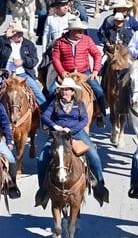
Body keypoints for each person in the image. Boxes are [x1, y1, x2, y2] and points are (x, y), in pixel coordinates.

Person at [35, 77, 109, 207]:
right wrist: (54, 126)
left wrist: (71, 129)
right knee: (42, 158)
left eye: (68, 90)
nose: (65, 92)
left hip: (77, 133)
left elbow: (84, 120)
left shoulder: (79, 104)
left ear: (73, 92)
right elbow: (45, 117)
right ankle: (43, 189)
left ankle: (99, 185)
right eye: (63, 89)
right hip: (58, 135)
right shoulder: (55, 103)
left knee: (94, 156)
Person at [51, 18, 106, 127]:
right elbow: (55, 58)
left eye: (82, 30)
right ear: (71, 31)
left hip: (84, 72)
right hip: (67, 73)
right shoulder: (60, 42)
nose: (82, 32)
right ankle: (50, 117)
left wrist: (95, 71)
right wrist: (61, 72)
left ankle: (100, 114)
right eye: (79, 30)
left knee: (98, 90)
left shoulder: (87, 40)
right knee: (52, 91)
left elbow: (97, 54)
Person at [0, 21, 46, 108]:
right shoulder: (5, 43)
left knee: (38, 94)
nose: (20, 35)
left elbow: (34, 60)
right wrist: (4, 37)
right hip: (6, 74)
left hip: (24, 74)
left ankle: (44, 115)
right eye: (17, 33)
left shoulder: (28, 44)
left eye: (21, 33)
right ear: (12, 33)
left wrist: (23, 61)